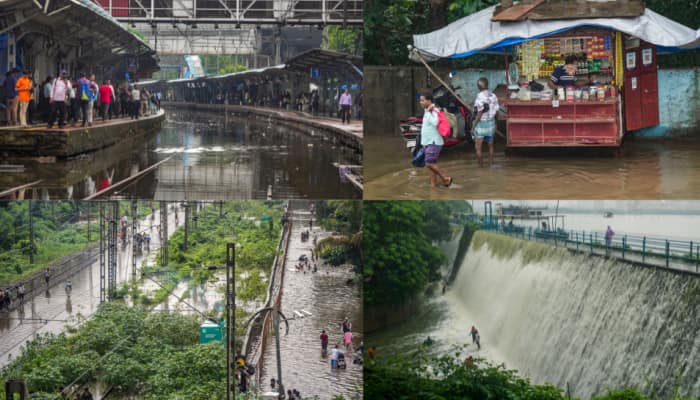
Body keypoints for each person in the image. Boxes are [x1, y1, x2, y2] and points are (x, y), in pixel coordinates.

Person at [419, 92, 453, 188]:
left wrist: (430, 112)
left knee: (428, 163)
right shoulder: (428, 110)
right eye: (420, 100)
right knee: (432, 166)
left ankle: (445, 178)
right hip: (430, 142)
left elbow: (435, 122)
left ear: (429, 101)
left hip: (434, 142)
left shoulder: (433, 110)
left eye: (422, 100)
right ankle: (433, 187)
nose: (420, 102)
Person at [471, 77, 499, 167]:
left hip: (481, 125)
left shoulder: (479, 97)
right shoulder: (493, 96)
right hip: (491, 124)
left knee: (478, 147)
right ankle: (491, 164)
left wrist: (473, 127)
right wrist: (496, 124)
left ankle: (481, 167)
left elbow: (479, 115)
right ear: (487, 85)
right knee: (490, 146)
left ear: (478, 87)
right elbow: (497, 112)